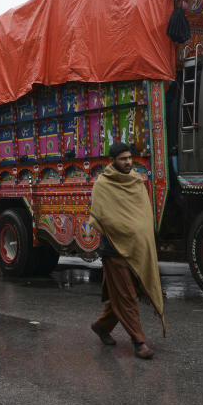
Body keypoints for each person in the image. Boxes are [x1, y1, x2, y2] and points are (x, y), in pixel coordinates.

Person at [88, 142, 166, 359]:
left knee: (127, 293)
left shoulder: (136, 181)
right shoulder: (103, 185)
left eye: (130, 158)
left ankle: (102, 326)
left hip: (137, 250)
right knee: (127, 296)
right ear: (112, 161)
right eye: (123, 159)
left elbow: (143, 214)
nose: (128, 162)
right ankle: (139, 342)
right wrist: (127, 230)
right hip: (114, 251)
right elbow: (105, 218)